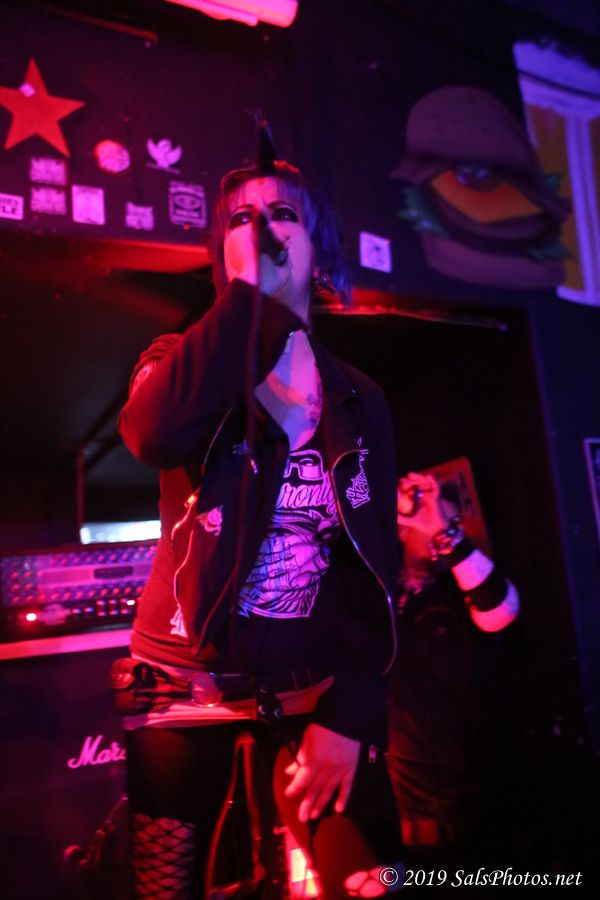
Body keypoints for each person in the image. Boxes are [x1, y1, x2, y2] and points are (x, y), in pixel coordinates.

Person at [114, 133, 404, 899]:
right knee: (163, 887)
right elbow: (150, 433)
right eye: (241, 218)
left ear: (319, 249)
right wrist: (249, 302)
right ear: (221, 252)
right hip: (183, 685)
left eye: (283, 214)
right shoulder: (178, 360)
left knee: (373, 878)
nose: (263, 229)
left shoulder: (359, 399)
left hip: (313, 684)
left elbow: (377, 570)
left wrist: (353, 708)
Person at [387, 471, 520, 862]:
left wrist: (445, 534)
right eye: (427, 519)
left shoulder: (458, 594)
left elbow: (501, 611)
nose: (439, 526)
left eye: (451, 520)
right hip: (395, 816)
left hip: (458, 820)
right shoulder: (382, 594)